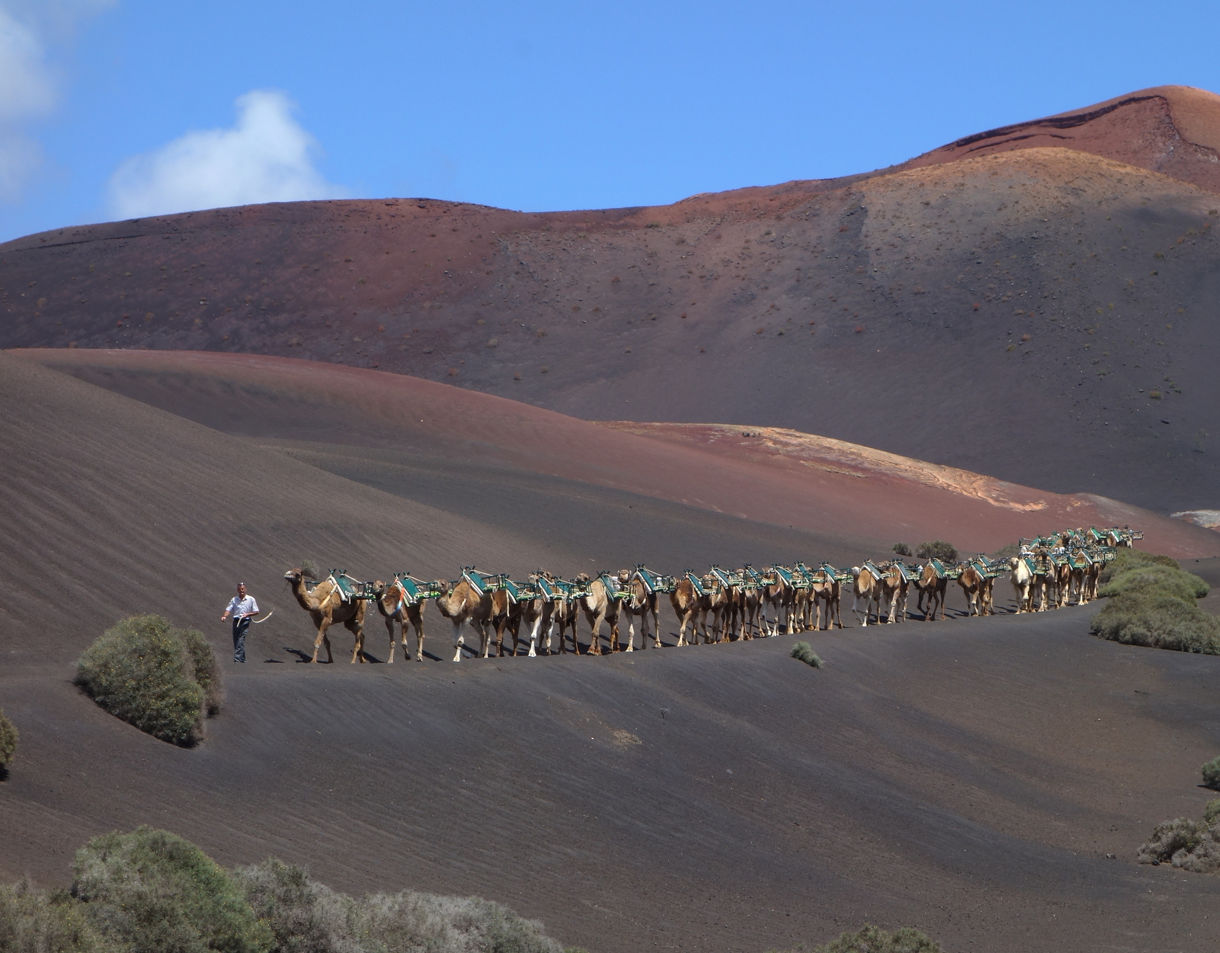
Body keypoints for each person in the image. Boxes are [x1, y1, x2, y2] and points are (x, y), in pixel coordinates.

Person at [221, 581, 260, 663]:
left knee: (240, 639)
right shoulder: (234, 599)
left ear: (246, 589)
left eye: (243, 589)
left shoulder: (251, 599)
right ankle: (242, 659)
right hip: (236, 621)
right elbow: (228, 609)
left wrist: (248, 614)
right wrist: (224, 616)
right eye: (239, 589)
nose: (241, 591)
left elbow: (256, 611)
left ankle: (237, 659)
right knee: (236, 640)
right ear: (237, 590)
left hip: (245, 621)